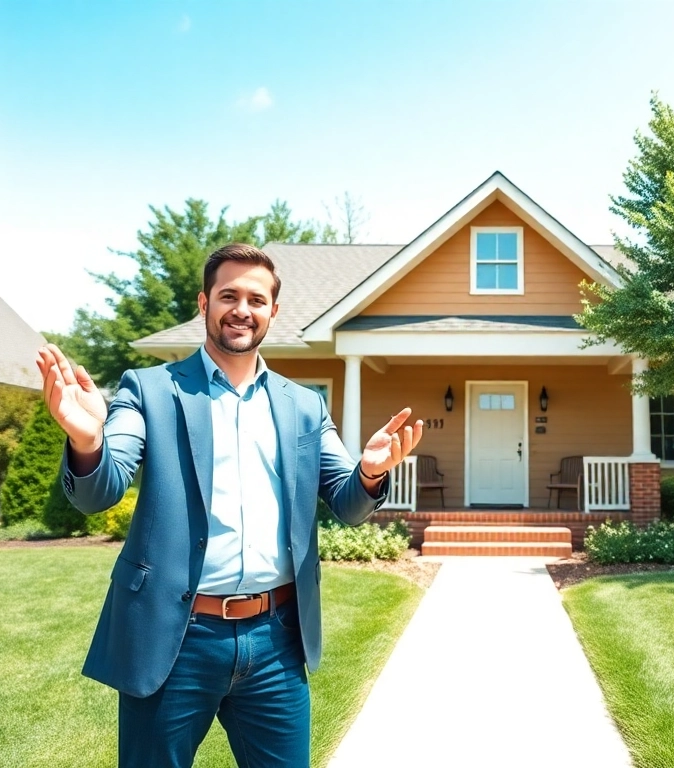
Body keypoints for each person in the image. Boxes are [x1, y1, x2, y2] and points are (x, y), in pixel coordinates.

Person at [36, 242, 423, 768]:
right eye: (229, 296)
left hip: (276, 641)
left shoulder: (304, 406)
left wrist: (371, 471)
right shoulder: (149, 391)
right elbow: (100, 489)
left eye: (256, 300)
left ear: (273, 312)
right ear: (204, 303)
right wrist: (87, 441)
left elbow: (349, 504)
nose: (242, 309)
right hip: (176, 639)